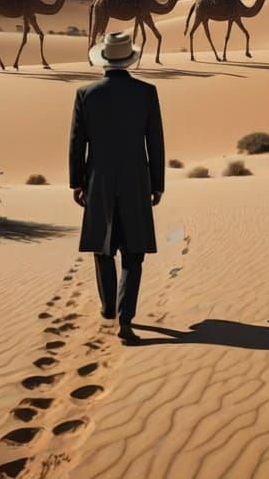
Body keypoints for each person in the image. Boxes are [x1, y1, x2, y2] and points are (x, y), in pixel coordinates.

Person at [69, 30, 165, 344]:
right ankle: (125, 317)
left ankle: (108, 307)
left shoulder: (86, 94)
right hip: (136, 181)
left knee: (103, 246)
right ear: (129, 60)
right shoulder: (146, 92)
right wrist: (157, 184)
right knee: (134, 251)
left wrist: (77, 182)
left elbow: (77, 142)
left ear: (104, 60)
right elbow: (155, 142)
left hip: (98, 180)